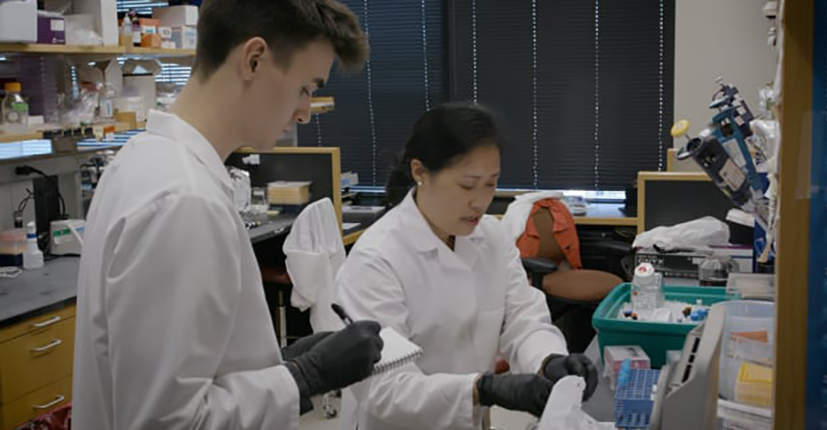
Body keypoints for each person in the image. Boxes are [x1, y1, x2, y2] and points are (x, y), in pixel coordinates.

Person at [72, 1, 383, 429]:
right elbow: (165, 422)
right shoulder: (183, 201)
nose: (305, 112)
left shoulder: (143, 161)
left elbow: (183, 369)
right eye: (306, 88)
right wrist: (303, 378)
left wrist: (281, 363)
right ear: (254, 59)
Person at [334, 103, 599, 430]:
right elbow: (385, 389)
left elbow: (522, 318)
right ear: (420, 172)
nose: (481, 201)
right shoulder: (376, 259)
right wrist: (482, 389)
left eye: (491, 183)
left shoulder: (492, 236)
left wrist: (549, 360)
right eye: (467, 185)